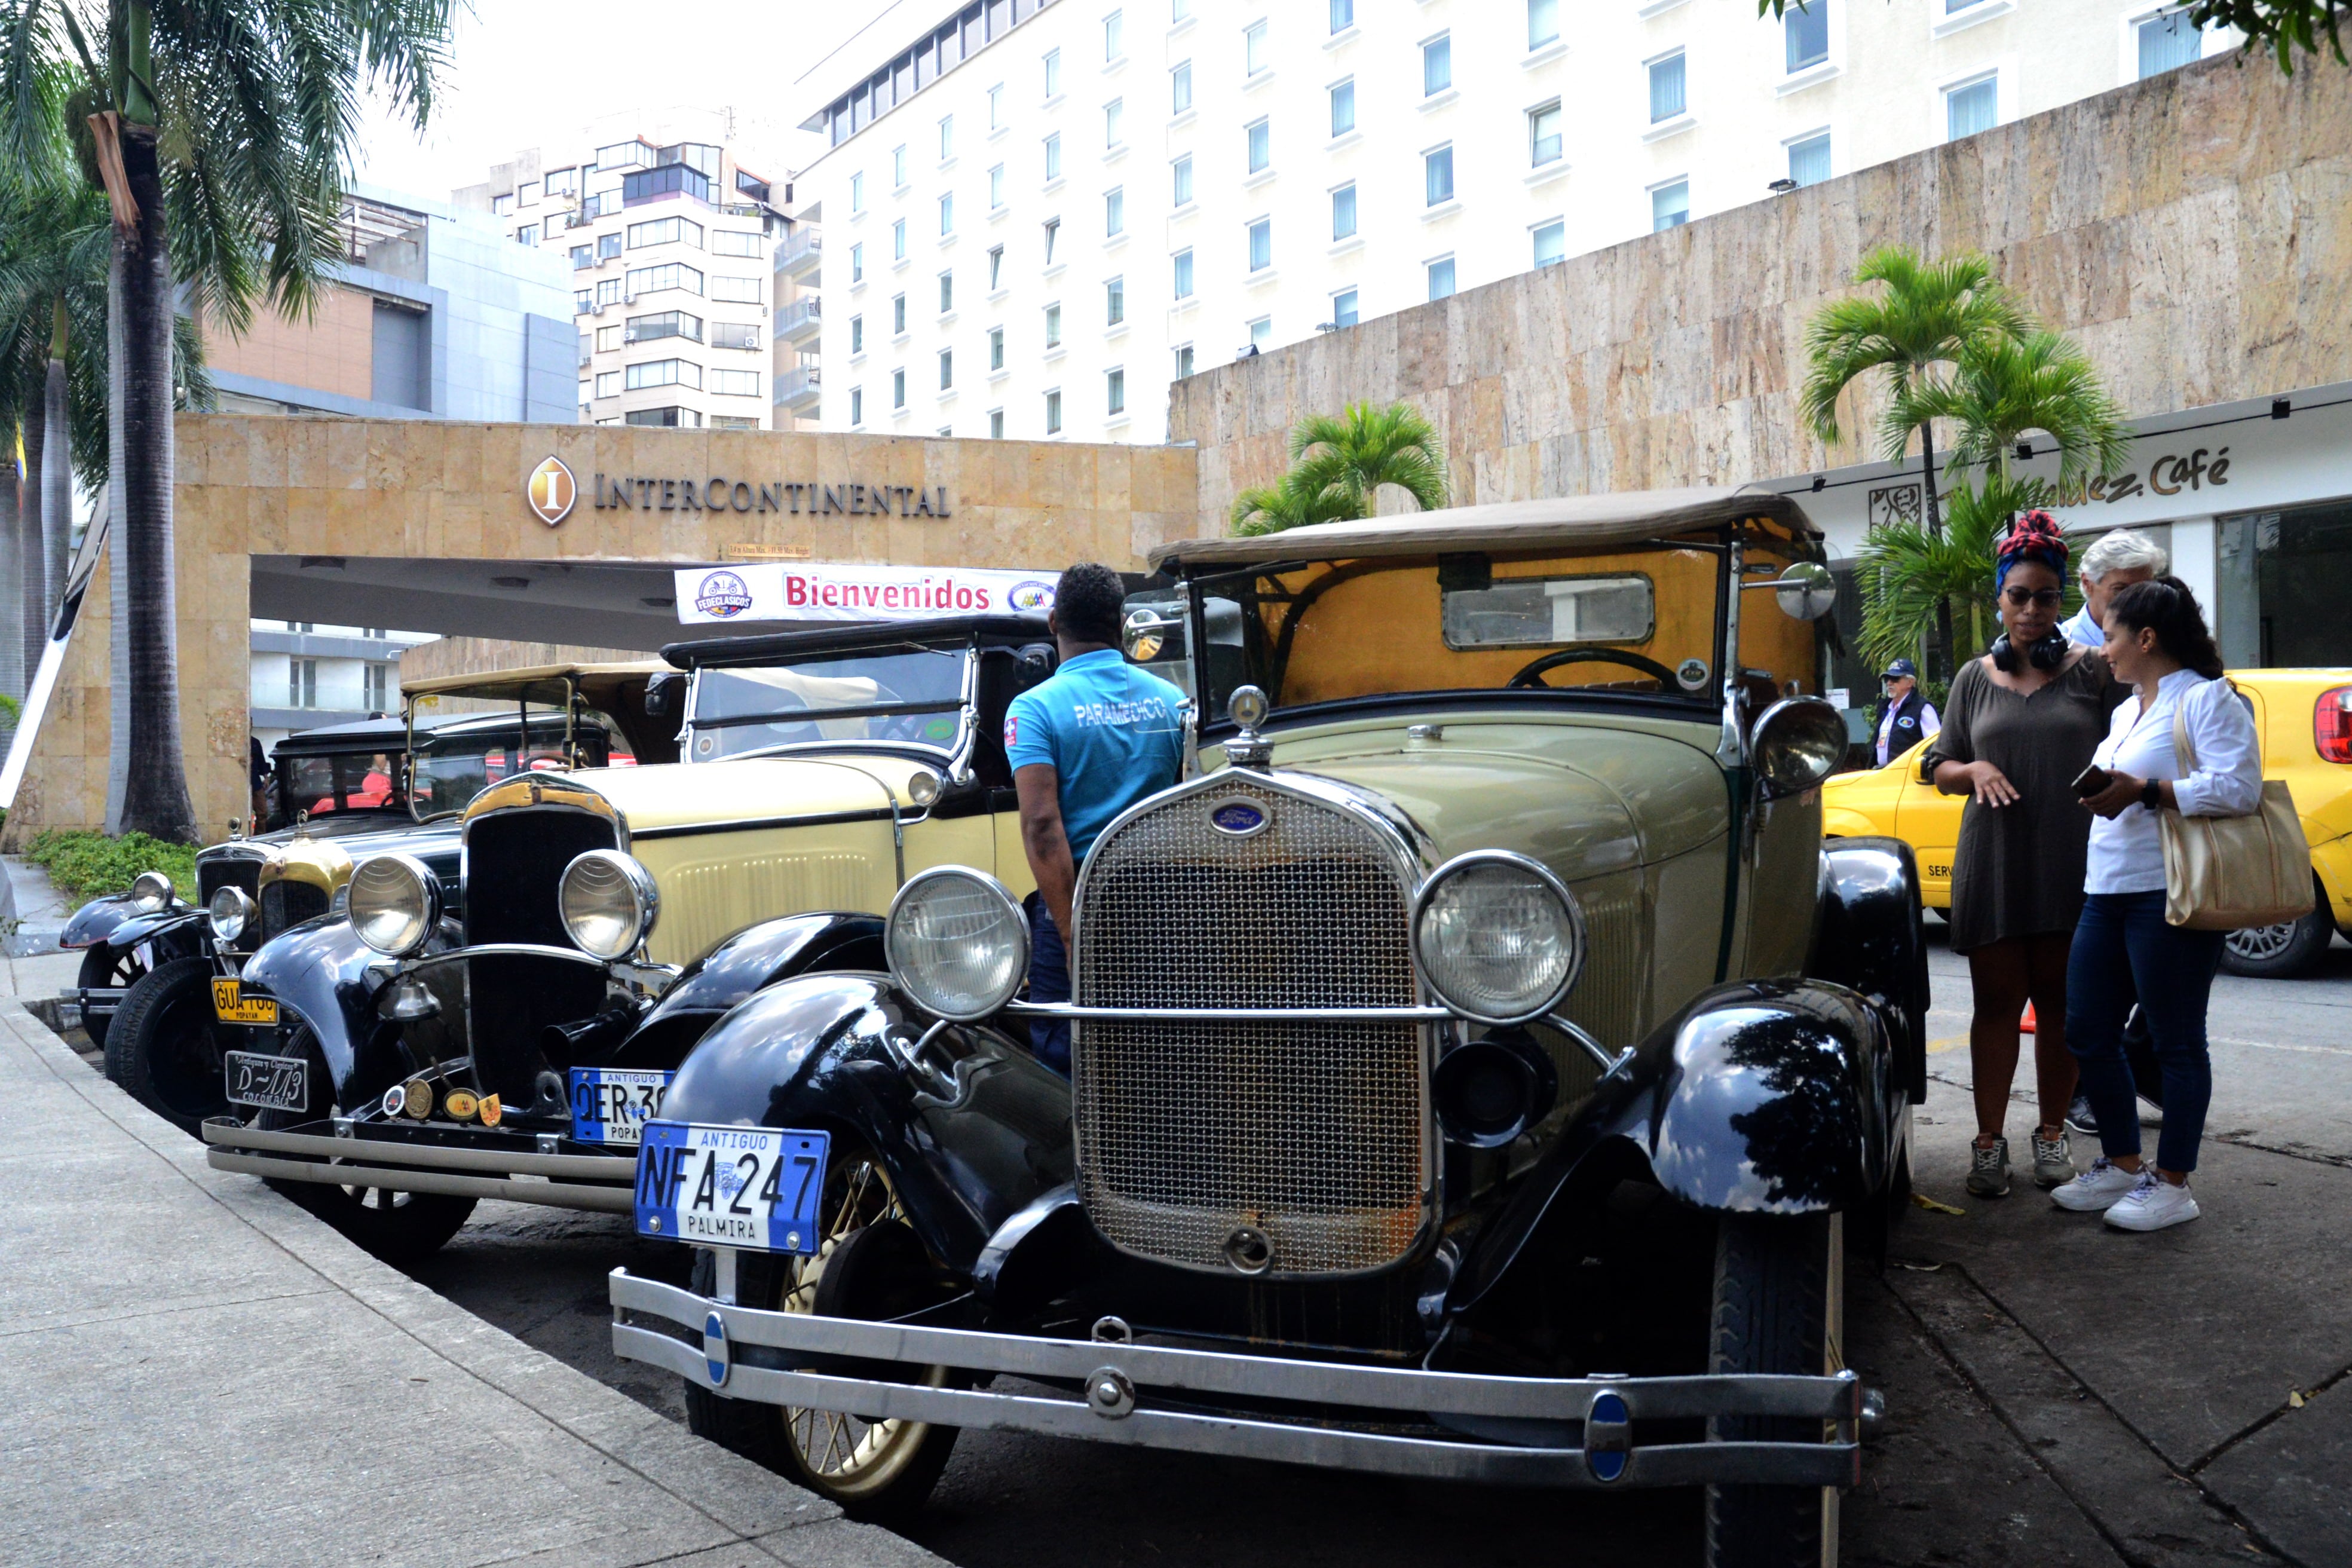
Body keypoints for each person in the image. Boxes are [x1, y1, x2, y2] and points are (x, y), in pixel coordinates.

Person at [1924, 511, 2127, 1198]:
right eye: (2019, 596)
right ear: (2000, 600)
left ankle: (2050, 1138)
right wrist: (1972, 771)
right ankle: (1987, 1144)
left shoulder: (2096, 673)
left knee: (2063, 1011)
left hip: (2074, 864)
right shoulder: (1973, 679)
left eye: (2046, 596)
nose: (2032, 610)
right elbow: (1938, 763)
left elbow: (2138, 742)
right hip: (1996, 861)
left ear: (2063, 599)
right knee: (1994, 1006)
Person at [2050, 578, 2262, 1232]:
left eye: (2110, 635)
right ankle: (2121, 1162)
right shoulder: (2124, 712)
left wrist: (2147, 791)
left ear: (2145, 638)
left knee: (2175, 1040)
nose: (2102, 648)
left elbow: (2240, 787)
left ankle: (2174, 1183)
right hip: (2106, 890)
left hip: (2168, 892)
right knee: (2086, 1028)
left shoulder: (2207, 698)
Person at [1006, 562, 1187, 1073]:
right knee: (1161, 1055)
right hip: (1166, 903)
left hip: (1080, 899)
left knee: (1070, 1061)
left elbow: (1042, 827)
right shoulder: (1172, 701)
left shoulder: (1035, 709)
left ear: (1053, 623)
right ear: (1121, 622)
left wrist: (1070, 935)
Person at [2058, 529, 2167, 647]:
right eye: (2121, 590)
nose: (2135, 600)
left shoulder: (2165, 641)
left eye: (2144, 589)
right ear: (2087, 583)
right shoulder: (2065, 644)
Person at [1872, 658, 1940, 767]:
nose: (1889, 683)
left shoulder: (1922, 708)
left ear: (1910, 682)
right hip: (1882, 774)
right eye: (1887, 679)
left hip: (1908, 775)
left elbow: (1935, 745)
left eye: (1895, 679)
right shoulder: (1886, 708)